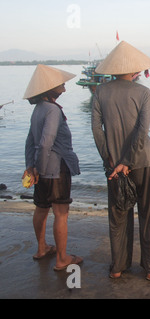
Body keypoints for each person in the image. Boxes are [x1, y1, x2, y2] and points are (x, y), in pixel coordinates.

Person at [91, 41, 150, 280]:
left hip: (114, 165)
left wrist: (112, 160)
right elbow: (141, 131)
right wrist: (128, 159)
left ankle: (118, 266)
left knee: (118, 215)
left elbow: (97, 130)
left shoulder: (100, 92)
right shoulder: (143, 92)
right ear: (135, 70)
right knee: (147, 214)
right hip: (144, 161)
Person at [22, 64, 83, 271]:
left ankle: (42, 248)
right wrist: (38, 168)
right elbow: (46, 142)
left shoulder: (38, 110)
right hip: (56, 169)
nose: (63, 85)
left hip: (42, 170)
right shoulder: (53, 111)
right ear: (50, 88)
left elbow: (31, 141)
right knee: (61, 213)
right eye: (60, 84)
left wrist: (31, 167)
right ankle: (62, 259)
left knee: (41, 208)